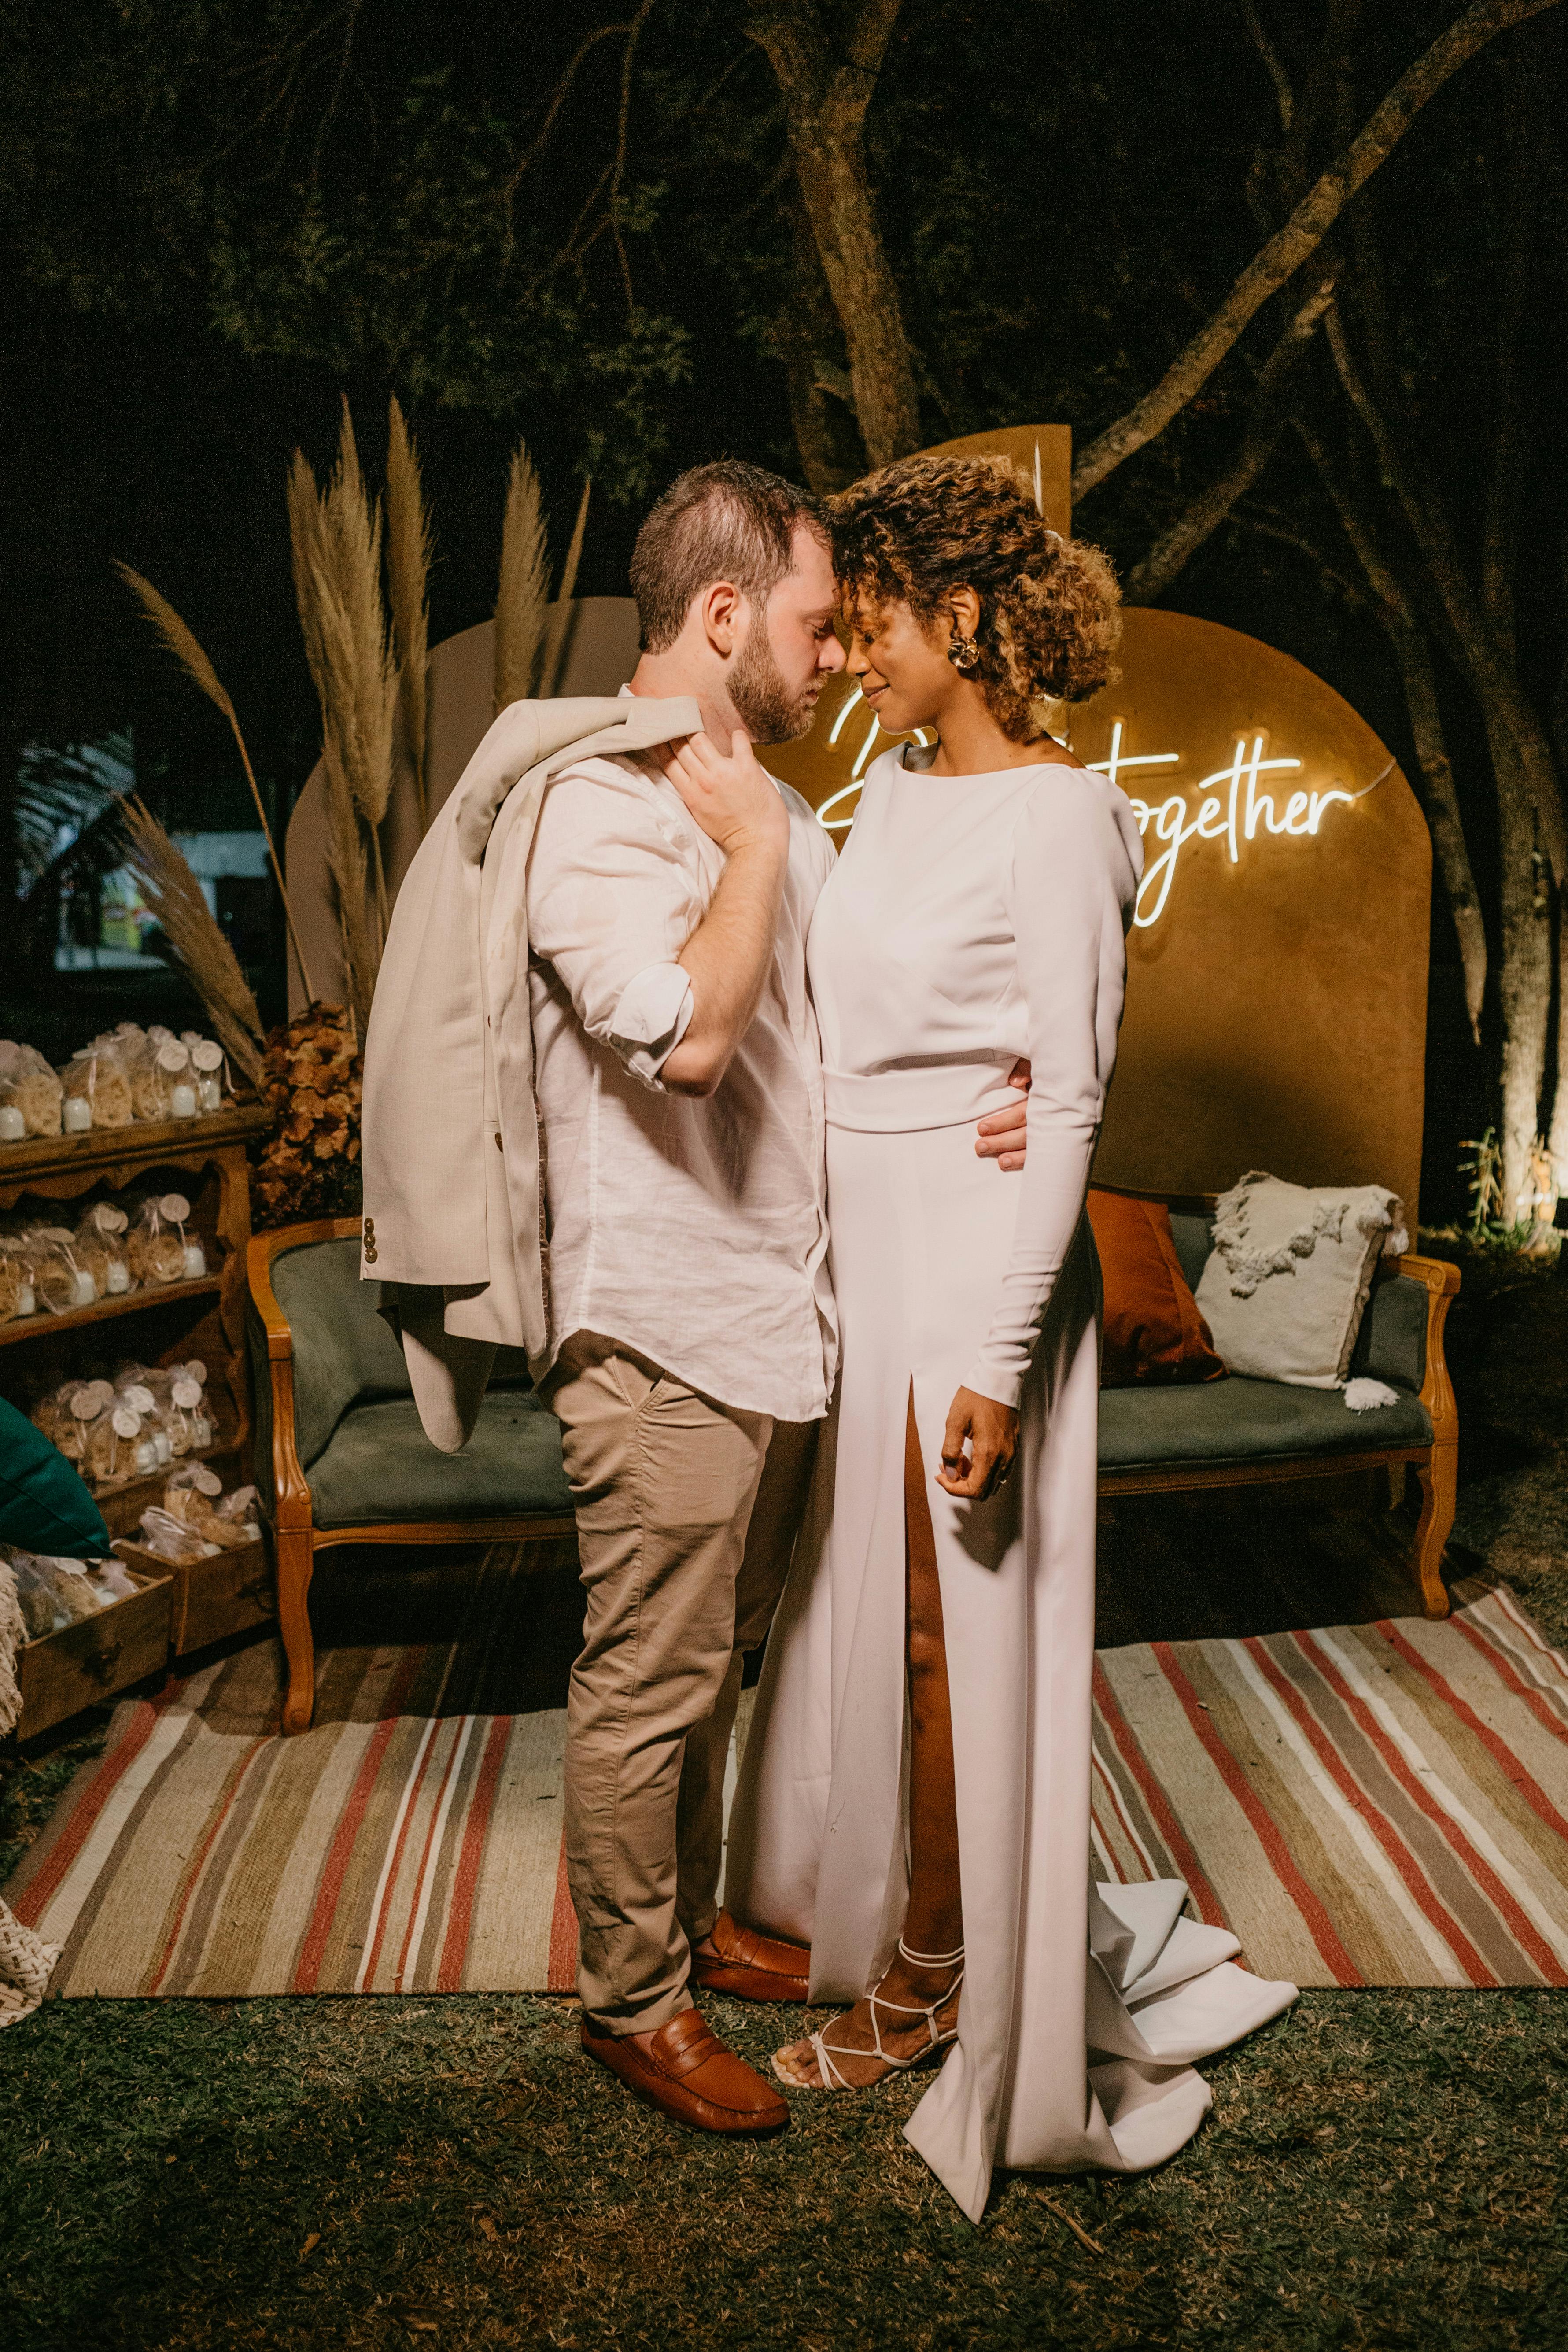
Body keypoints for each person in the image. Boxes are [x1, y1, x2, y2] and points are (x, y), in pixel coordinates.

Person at [723, 453, 1298, 2219]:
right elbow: (828, 1028)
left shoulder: (1061, 818)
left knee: (940, 1627)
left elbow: (1065, 1104)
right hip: (873, 1238)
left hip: (978, 1263)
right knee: (874, 1610)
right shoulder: (884, 800)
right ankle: (893, 1916)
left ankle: (940, 1976)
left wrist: (991, 1350)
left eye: (878, 623)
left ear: (961, 619)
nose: (859, 659)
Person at [520, 462, 1033, 2136]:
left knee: (717, 1666)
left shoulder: (777, 812)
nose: (833, 661)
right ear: (725, 617)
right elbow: (686, 1040)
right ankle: (631, 2005)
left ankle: (682, 1937)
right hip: (660, 1325)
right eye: (816, 626)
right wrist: (745, 839)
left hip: (780, 1322)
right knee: (649, 1681)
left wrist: (998, 1096)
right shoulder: (596, 804)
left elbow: (837, 1052)